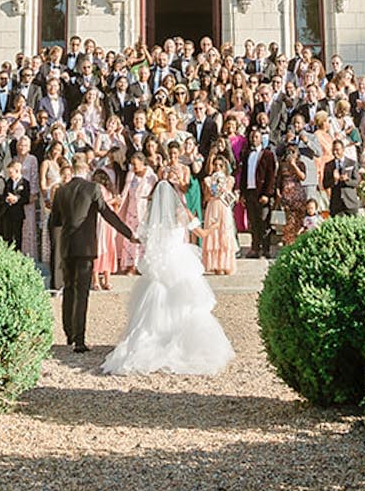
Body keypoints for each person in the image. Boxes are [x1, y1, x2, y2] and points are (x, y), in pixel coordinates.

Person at [102, 178, 234, 377]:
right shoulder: (182, 213)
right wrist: (214, 226)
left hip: (159, 264)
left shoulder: (149, 217)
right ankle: (187, 344)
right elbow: (202, 232)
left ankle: (152, 342)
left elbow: (141, 238)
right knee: (188, 304)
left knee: (153, 305)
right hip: (180, 261)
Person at [48, 153, 135, 353]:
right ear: (86, 170)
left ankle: (69, 333)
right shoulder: (93, 188)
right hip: (86, 247)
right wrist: (128, 234)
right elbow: (108, 214)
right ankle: (79, 339)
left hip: (67, 246)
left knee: (68, 289)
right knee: (83, 292)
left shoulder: (61, 191)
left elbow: (55, 222)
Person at [241, 125, 277, 260]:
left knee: (264, 221)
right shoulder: (247, 154)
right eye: (252, 137)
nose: (253, 139)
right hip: (250, 192)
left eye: (256, 137)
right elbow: (244, 174)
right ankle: (255, 248)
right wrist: (242, 194)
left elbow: (271, 175)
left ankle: (265, 249)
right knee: (253, 221)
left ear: (261, 139)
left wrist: (267, 194)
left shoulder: (267, 154)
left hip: (262, 193)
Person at [200, 155, 237, 276]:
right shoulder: (208, 180)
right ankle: (215, 265)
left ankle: (225, 264)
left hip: (223, 206)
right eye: (215, 165)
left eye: (220, 165)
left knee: (224, 232)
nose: (217, 168)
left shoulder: (229, 179)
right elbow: (205, 197)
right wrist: (211, 189)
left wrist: (222, 188)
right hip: (213, 206)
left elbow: (228, 193)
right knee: (213, 233)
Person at [0, 157, 30, 249]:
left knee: (17, 236)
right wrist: (6, 199)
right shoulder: (8, 182)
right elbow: (4, 194)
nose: (10, 175)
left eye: (11, 172)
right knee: (7, 235)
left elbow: (26, 198)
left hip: (17, 213)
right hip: (7, 212)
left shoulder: (24, 183)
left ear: (17, 171)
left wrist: (16, 198)